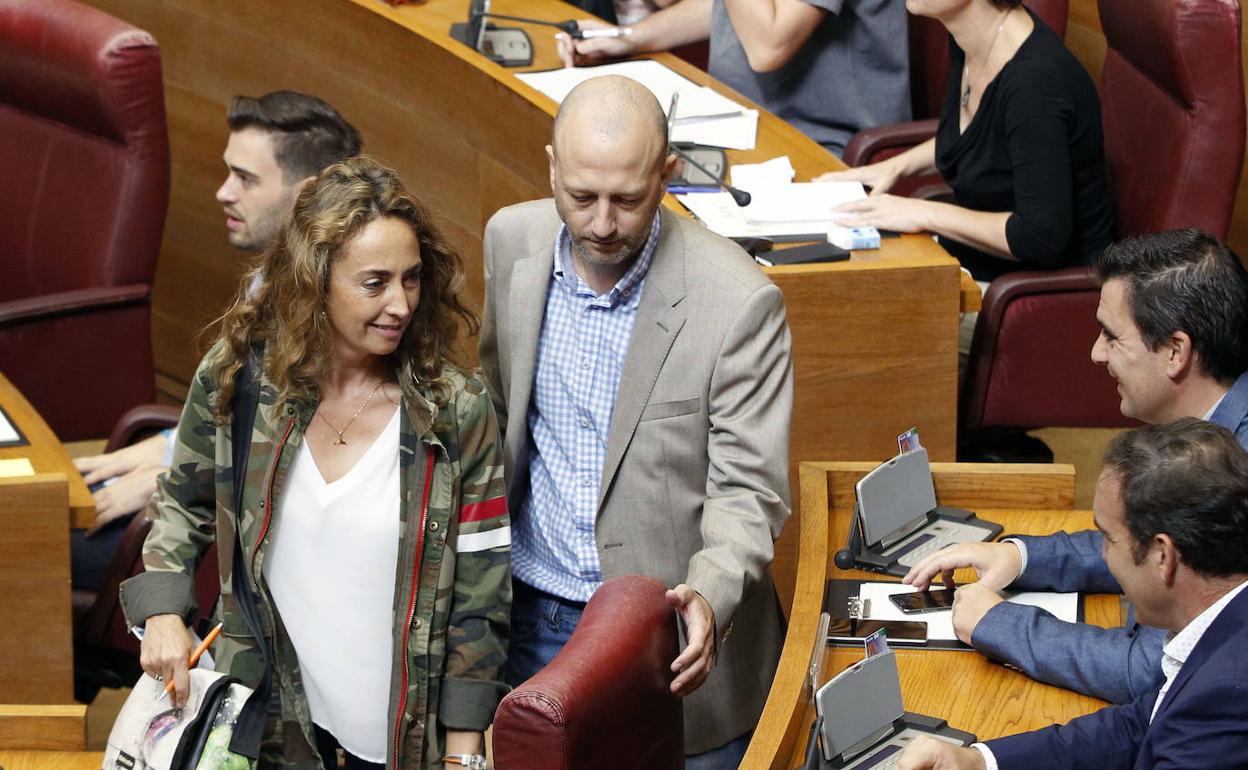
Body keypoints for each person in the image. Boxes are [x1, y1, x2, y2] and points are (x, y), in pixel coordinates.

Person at [119, 157, 509, 770]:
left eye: (411, 279)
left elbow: (481, 595)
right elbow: (182, 500)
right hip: (267, 729)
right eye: (374, 283)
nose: (401, 304)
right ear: (314, 280)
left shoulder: (455, 411)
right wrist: (164, 610)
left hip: (400, 742)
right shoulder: (242, 377)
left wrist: (465, 754)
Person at [478, 75, 792, 767]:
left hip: (666, 639)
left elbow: (749, 490)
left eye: (628, 199)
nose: (600, 224)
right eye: (580, 196)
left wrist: (707, 596)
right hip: (531, 613)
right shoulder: (511, 241)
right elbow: (500, 405)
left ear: (668, 175)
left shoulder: (739, 302)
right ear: (552, 166)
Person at [903, 229, 1248, 704]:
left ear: (1175, 351)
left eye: (1112, 336)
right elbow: (1140, 542)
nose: (1096, 353)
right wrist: (1021, 557)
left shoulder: (1234, 473)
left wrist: (999, 623)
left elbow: (1158, 671)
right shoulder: (1207, 429)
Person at [71, 91, 362, 593]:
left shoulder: (335, 314)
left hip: (227, 534)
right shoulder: (271, 275)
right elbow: (236, 409)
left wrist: (176, 478)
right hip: (199, 492)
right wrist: (168, 451)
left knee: (24, 537)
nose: (223, 192)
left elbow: (301, 465)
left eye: (245, 179)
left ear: (308, 193)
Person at [897, 419, 1248, 770]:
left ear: (1162, 556)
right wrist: (978, 761)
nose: (1104, 554)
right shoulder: (1224, 630)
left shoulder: (1226, 695)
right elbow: (1144, 725)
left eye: (1108, 539)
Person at [821, 0, 1113, 356]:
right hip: (978, 270)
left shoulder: (1033, 84)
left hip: (1033, 303)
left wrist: (922, 214)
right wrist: (894, 167)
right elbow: (977, 134)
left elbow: (1040, 236)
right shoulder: (970, 39)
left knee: (854, 341)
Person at [556, 0, 909, 157]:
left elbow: (768, 44)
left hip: (820, 145)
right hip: (738, 123)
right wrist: (628, 36)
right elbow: (733, 8)